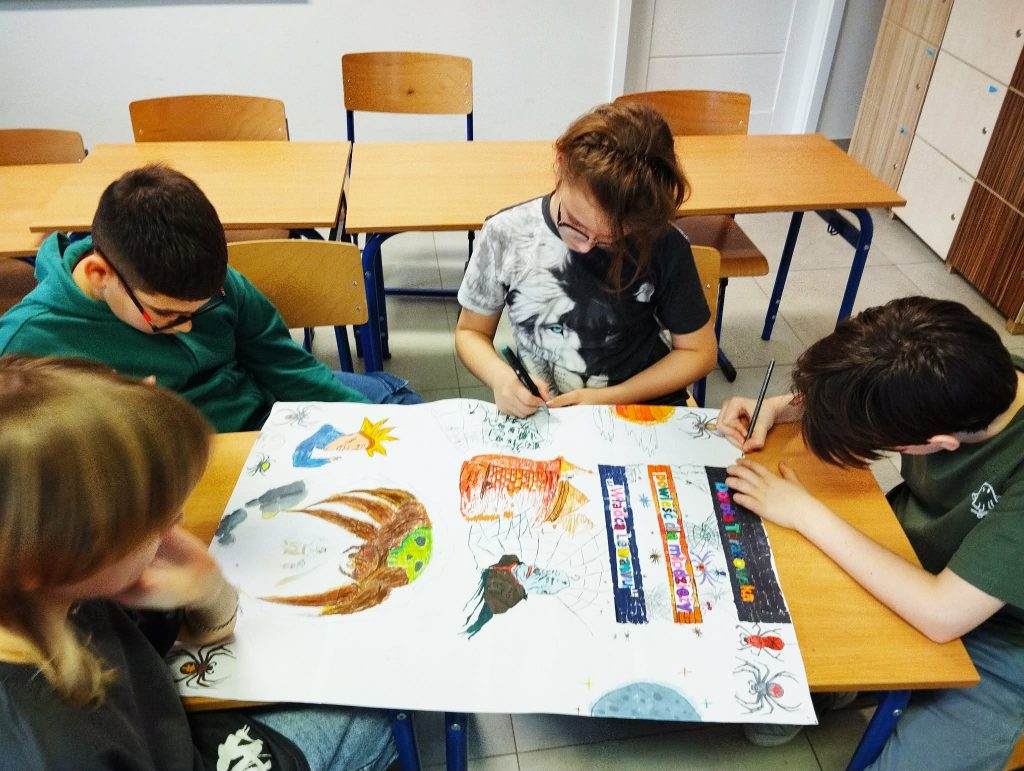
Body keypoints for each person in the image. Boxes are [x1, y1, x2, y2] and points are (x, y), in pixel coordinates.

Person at [0, 354, 397, 771]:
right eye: (153, 518)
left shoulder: (67, 588)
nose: (177, 520)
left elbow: (197, 631)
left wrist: (207, 588)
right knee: (379, 713)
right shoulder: (59, 749)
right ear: (51, 557)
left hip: (181, 733)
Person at [717, 297, 1024, 768]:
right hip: (911, 548)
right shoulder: (973, 375)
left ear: (938, 443)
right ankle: (846, 686)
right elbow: (879, 384)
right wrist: (783, 406)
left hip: (1003, 633)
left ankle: (855, 686)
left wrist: (805, 512)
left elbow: (943, 614)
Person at [0, 164, 420, 433]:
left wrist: (367, 421)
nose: (187, 326)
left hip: (264, 415)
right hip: (178, 466)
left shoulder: (211, 281)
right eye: (167, 315)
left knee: (402, 412)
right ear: (99, 274)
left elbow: (283, 364)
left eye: (201, 309)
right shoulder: (24, 344)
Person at [455, 101, 717, 417]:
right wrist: (500, 378)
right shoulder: (506, 233)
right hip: (547, 411)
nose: (583, 247)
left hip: (637, 404)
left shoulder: (662, 243)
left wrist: (610, 397)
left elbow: (699, 352)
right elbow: (470, 333)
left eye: (610, 239)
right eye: (574, 224)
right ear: (560, 162)